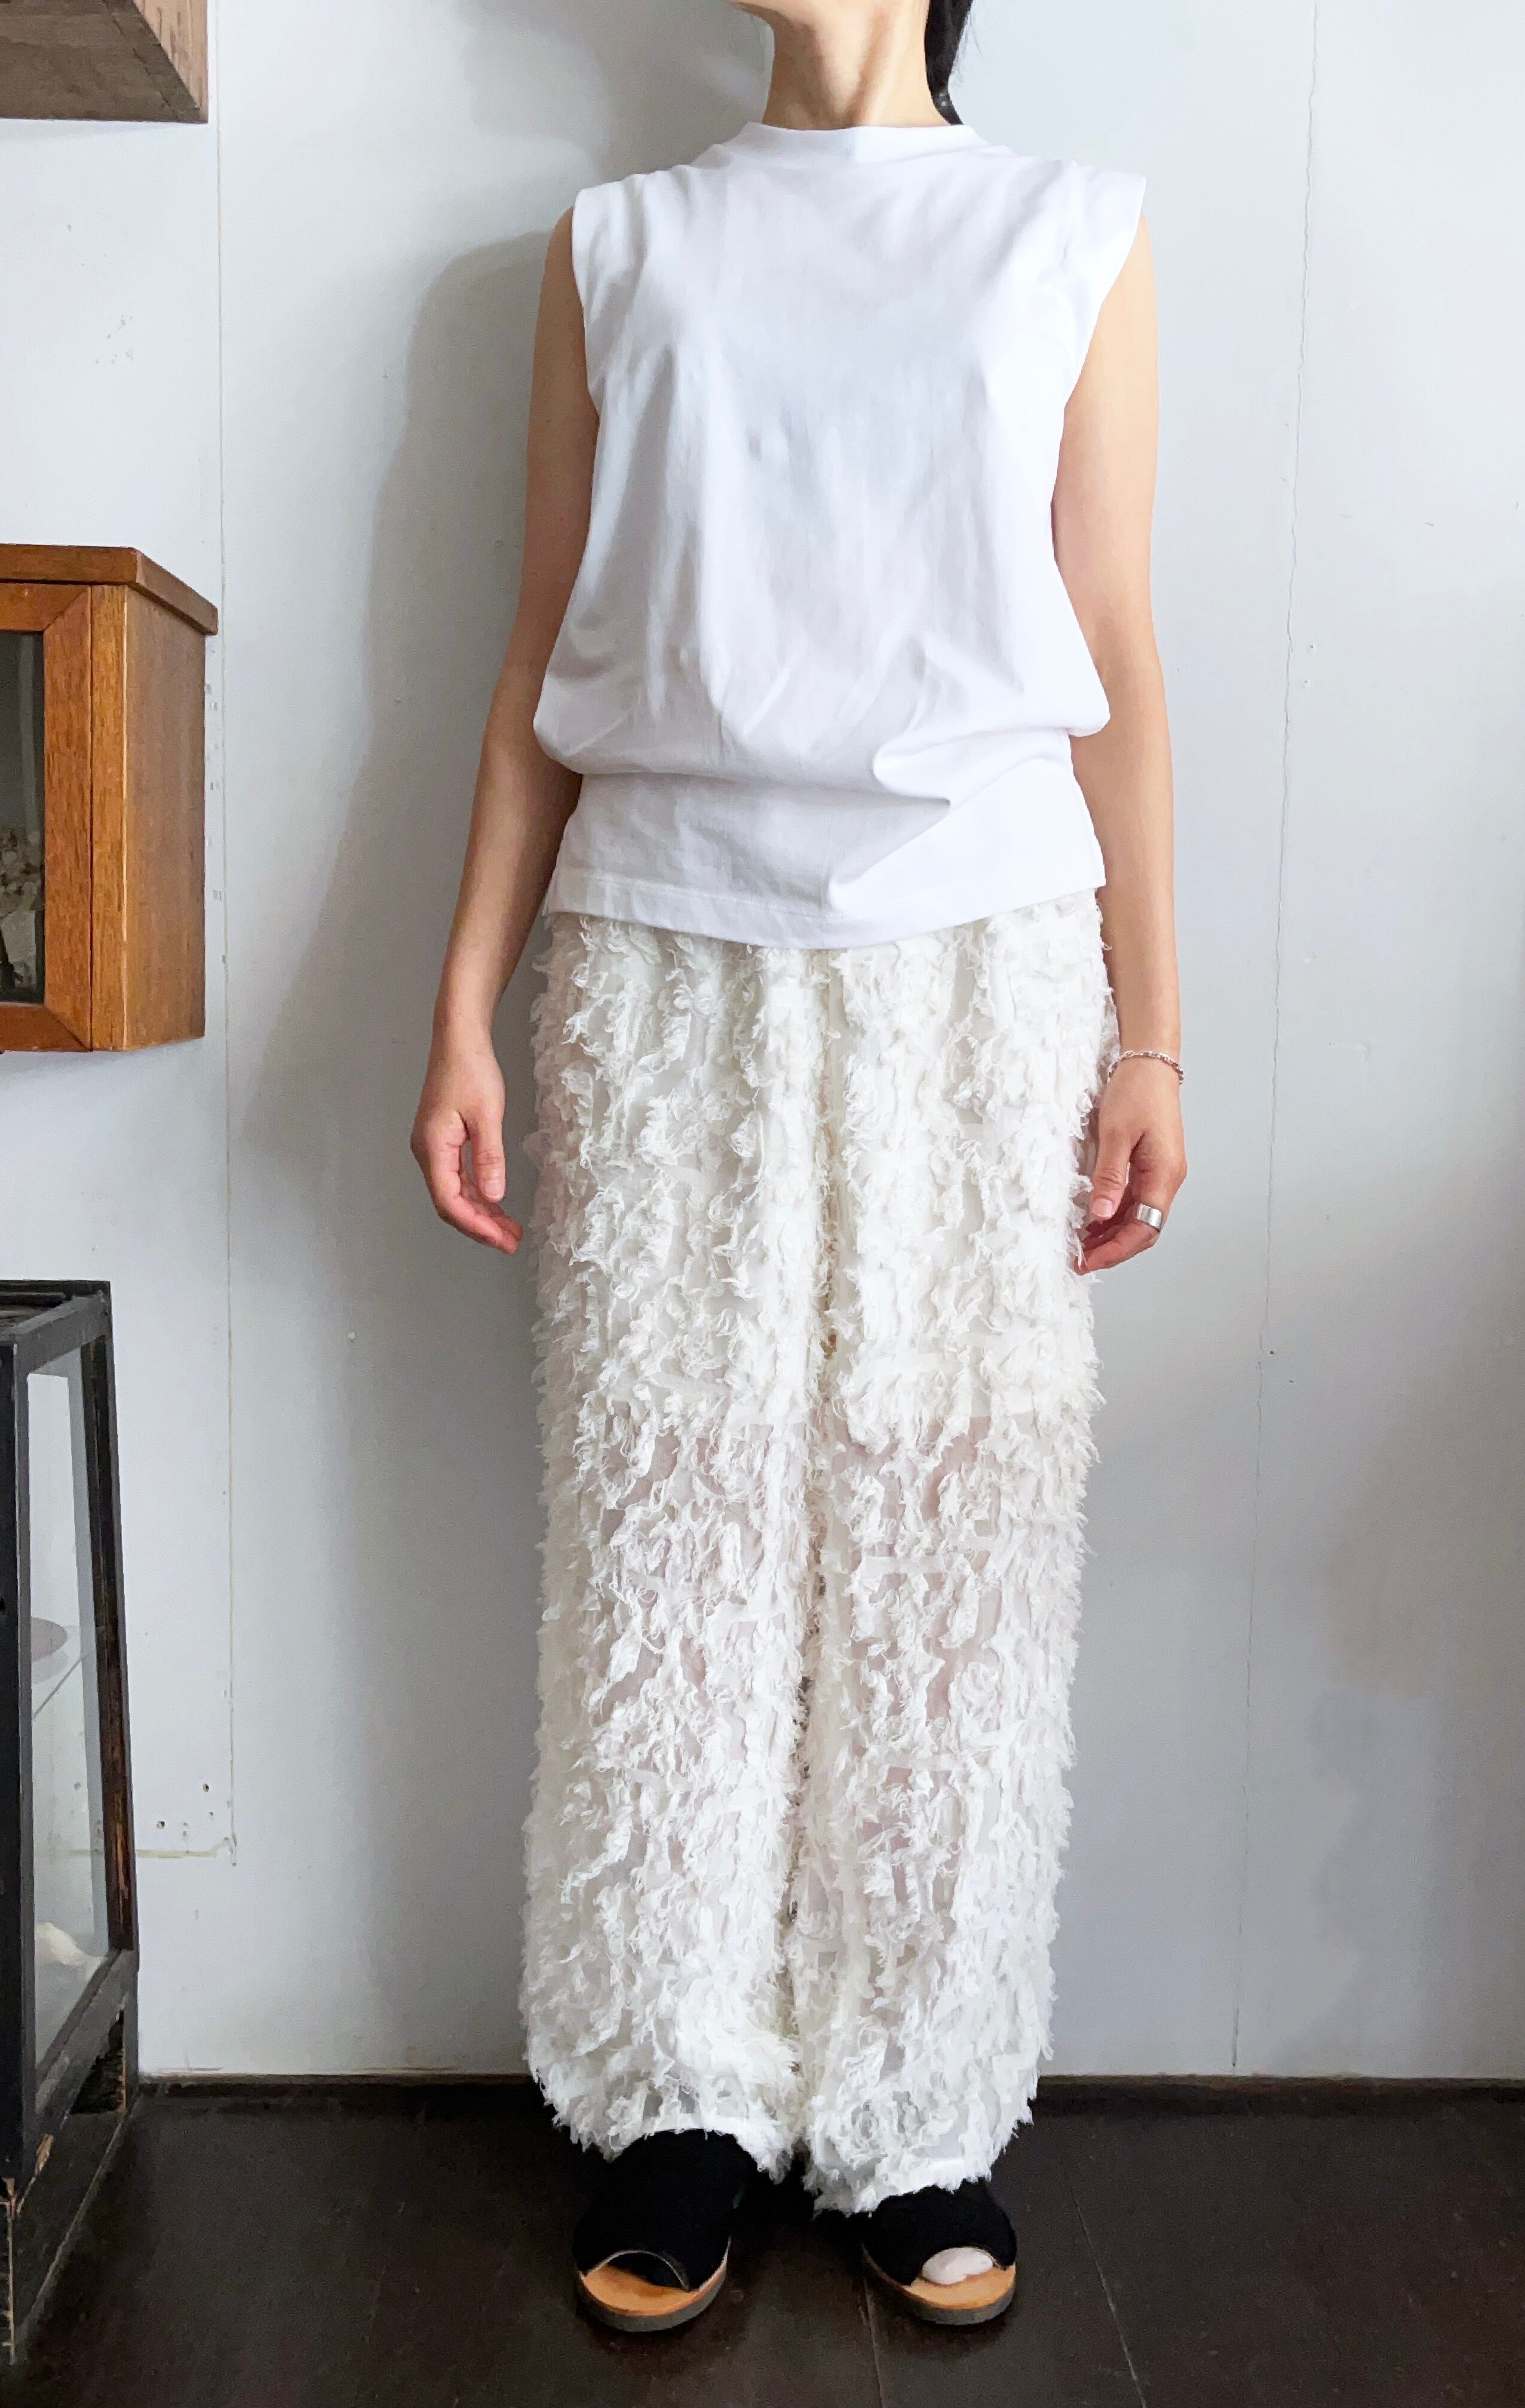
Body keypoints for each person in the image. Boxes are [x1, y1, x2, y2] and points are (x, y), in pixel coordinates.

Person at [412, 0, 1182, 2338]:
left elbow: (1119, 646)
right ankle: (675, 2102)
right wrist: (462, 1001)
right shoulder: (619, 248)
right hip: (663, 949)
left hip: (989, 958)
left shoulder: (1071, 233)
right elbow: (538, 654)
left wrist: (1156, 1031)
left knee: (955, 1533)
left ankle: (921, 2103)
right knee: (669, 1524)